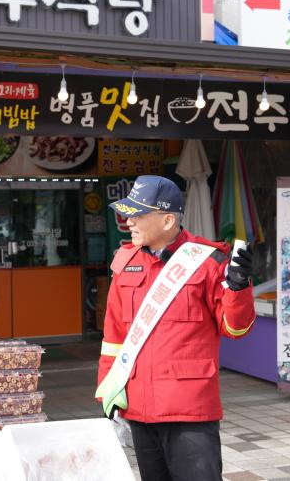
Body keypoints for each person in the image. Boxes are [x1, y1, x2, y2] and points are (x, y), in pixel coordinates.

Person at [95, 175, 255, 481]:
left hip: (190, 410)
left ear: (168, 220)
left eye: (138, 214)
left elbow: (236, 328)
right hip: (139, 407)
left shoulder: (208, 262)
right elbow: (114, 337)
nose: (128, 221)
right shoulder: (125, 262)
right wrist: (108, 394)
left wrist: (238, 287)